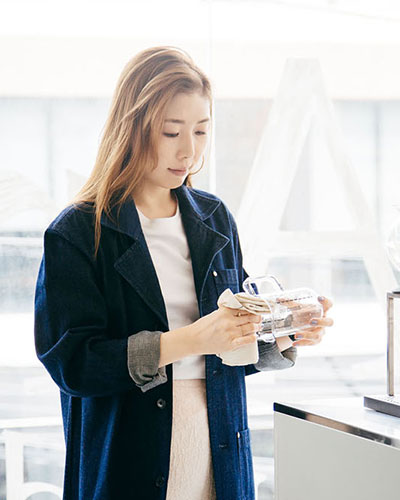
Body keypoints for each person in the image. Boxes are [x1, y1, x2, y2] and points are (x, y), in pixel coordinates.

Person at [34, 46, 333, 500]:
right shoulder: (79, 232)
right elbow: (73, 364)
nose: (189, 150)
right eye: (171, 132)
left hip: (221, 457)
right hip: (127, 463)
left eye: (201, 130)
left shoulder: (214, 219)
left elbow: (235, 342)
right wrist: (192, 339)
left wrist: (285, 332)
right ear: (131, 129)